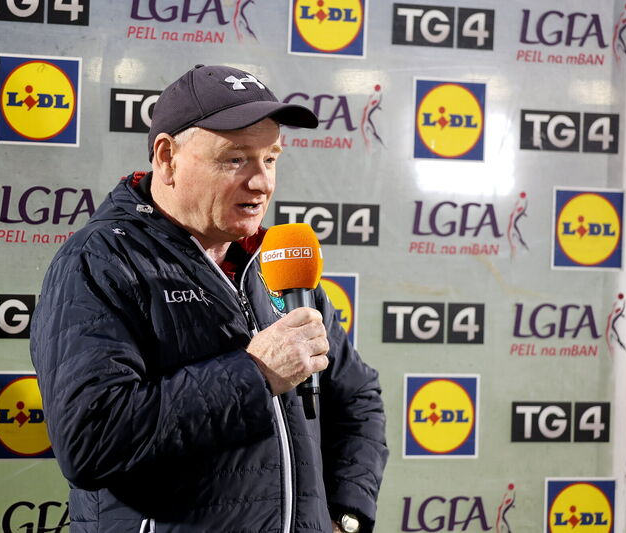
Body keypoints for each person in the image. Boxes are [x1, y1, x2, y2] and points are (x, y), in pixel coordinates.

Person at [30, 64, 388, 533]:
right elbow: (91, 441)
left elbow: (357, 397)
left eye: (271, 159)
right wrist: (255, 374)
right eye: (235, 159)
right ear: (167, 158)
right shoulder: (100, 261)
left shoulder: (274, 261)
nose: (261, 182)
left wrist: (345, 514)